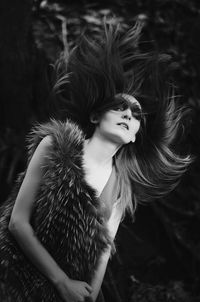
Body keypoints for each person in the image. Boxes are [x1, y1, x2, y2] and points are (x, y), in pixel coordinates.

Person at [0, 20, 192, 302]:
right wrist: (62, 282)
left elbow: (102, 254)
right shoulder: (55, 145)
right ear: (94, 116)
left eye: (136, 116)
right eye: (120, 107)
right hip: (14, 275)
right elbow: (17, 223)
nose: (128, 115)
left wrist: (88, 295)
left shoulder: (121, 188)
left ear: (135, 137)